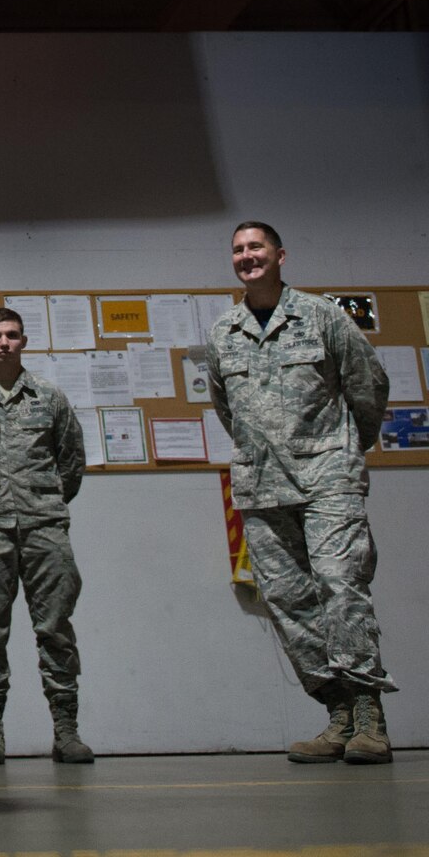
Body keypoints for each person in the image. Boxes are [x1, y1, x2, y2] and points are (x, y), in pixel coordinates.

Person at [206, 221, 392, 764]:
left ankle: (368, 718)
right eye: (238, 250)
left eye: (256, 247)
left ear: (280, 255)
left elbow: (369, 386)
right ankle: (335, 713)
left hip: (327, 477)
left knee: (341, 585)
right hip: (261, 487)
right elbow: (227, 410)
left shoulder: (323, 316)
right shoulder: (223, 332)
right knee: (288, 601)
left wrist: (345, 449)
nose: (247, 257)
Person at [0, 309, 92, 764]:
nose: (3, 342)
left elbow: (72, 462)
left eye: (10, 335)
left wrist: (42, 502)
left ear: (24, 341)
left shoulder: (49, 397)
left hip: (45, 527)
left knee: (56, 629)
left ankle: (66, 731)